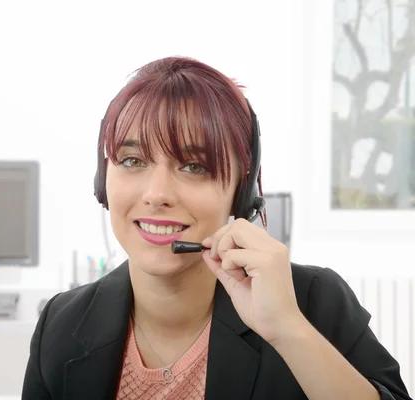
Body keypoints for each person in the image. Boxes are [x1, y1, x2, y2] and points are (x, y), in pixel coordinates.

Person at [21, 56, 412, 400]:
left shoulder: (313, 303)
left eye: (194, 166)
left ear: (239, 193)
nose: (156, 194)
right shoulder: (62, 323)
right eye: (132, 160)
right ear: (103, 179)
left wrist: (288, 331)